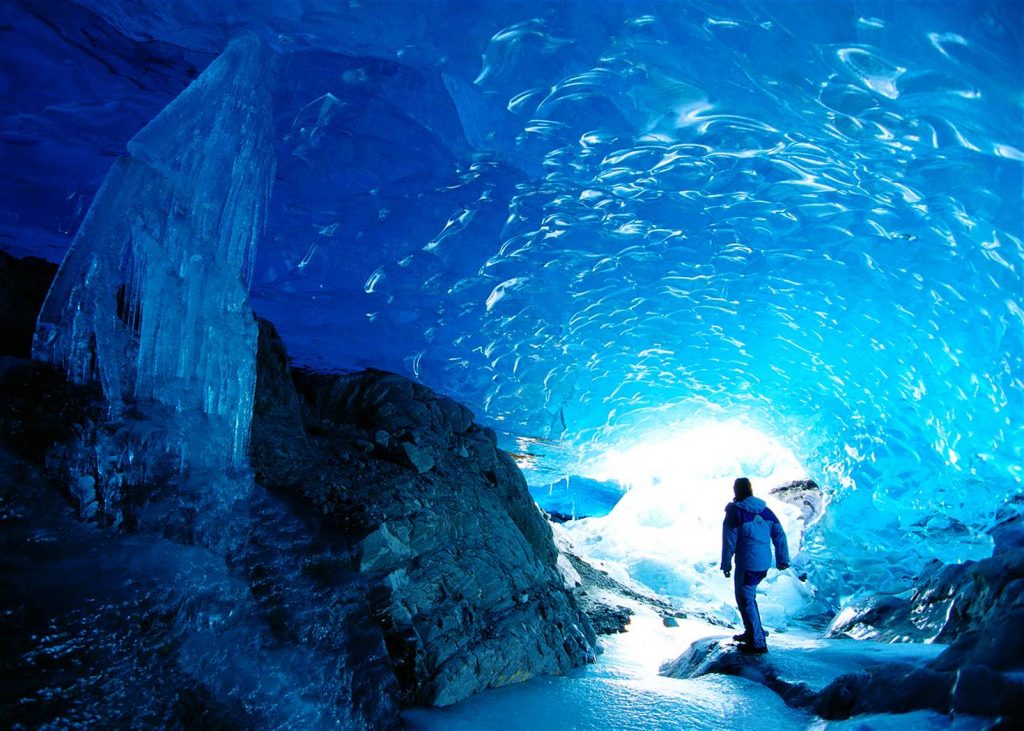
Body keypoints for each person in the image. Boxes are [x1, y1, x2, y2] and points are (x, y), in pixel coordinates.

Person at [721, 477, 790, 654]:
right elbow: (779, 535)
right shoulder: (766, 511)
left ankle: (757, 642)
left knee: (745, 600)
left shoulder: (735, 513)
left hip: (747, 563)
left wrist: (726, 563)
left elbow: (729, 542)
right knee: (749, 598)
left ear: (736, 491)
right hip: (763, 563)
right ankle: (752, 631)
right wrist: (782, 558)